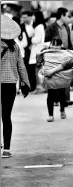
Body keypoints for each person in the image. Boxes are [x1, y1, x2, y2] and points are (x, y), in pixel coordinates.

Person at [1, 15, 30, 158]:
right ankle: (6, 149)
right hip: (10, 85)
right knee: (6, 116)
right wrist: (25, 83)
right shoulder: (15, 46)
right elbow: (21, 67)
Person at [45, 7, 73, 107]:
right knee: (55, 77)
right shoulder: (51, 27)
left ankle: (65, 100)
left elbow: (69, 42)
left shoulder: (67, 27)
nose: (69, 18)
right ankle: (56, 99)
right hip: (54, 56)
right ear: (62, 15)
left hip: (65, 55)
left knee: (66, 75)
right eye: (67, 16)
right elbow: (46, 41)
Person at [29, 11, 45, 94]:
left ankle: (39, 87)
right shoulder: (40, 26)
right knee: (38, 70)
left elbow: (37, 40)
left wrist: (31, 39)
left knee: (37, 70)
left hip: (37, 51)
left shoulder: (39, 27)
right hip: (38, 50)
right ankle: (39, 87)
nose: (33, 17)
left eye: (34, 16)